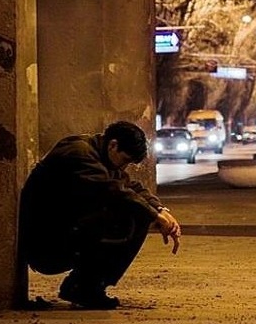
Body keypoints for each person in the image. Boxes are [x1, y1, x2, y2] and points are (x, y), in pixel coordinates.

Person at [19, 121, 181, 310]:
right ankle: (84, 288)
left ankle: (85, 286)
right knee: (129, 216)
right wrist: (154, 216)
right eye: (125, 160)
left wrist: (160, 210)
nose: (124, 166)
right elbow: (114, 191)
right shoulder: (79, 153)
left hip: (65, 230)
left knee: (136, 212)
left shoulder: (101, 155)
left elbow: (129, 186)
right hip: (46, 242)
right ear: (113, 145)